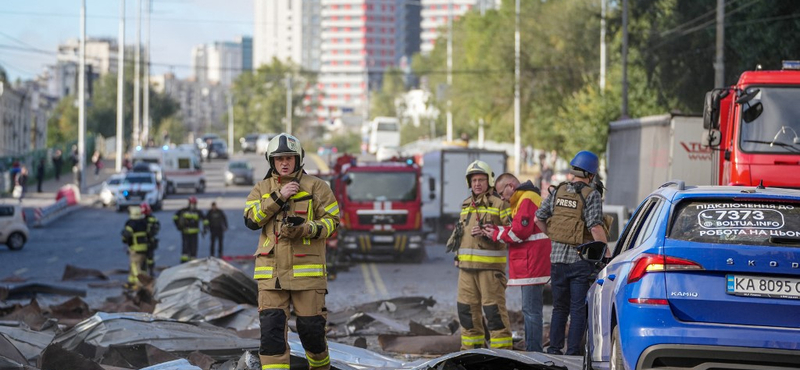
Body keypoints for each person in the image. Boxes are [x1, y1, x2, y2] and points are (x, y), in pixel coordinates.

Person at [244, 133, 340, 370]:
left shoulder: (317, 187)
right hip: (271, 275)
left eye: (289, 158)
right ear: (271, 162)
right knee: (271, 337)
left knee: (312, 334)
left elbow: (333, 222)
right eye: (279, 159)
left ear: (298, 160)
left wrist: (306, 228)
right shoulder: (262, 189)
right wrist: (279, 196)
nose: (284, 163)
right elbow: (251, 220)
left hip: (307, 276)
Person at [535, 150, 609, 355]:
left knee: (559, 308)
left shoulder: (557, 192)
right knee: (577, 310)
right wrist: (607, 253)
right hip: (579, 261)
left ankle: (554, 350)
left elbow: (538, 218)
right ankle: (573, 352)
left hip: (557, 261)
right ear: (591, 175)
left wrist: (555, 236)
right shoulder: (591, 194)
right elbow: (595, 227)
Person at [481, 173, 551, 352]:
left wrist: (496, 234)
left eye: (501, 192)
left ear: (511, 186)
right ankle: (533, 349)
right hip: (532, 263)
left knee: (531, 311)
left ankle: (534, 352)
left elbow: (520, 232)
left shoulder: (526, 199)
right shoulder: (525, 198)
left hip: (531, 264)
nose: (501, 197)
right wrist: (497, 229)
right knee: (531, 311)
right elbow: (518, 228)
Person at [451, 160, 513, 350]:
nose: (477, 183)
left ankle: (501, 356)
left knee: (494, 314)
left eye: (481, 180)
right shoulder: (466, 205)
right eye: (474, 180)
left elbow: (512, 232)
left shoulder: (500, 204)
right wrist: (457, 256)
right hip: (466, 269)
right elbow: (460, 233)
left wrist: (492, 231)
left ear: (489, 181)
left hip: (490, 270)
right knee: (466, 313)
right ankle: (470, 354)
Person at [121, 205, 150, 290]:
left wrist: (124, 240)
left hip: (135, 248)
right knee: (141, 266)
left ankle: (139, 284)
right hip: (144, 248)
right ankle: (132, 282)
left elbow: (126, 235)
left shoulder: (131, 223)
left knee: (135, 266)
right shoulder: (144, 222)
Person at [173, 196, 207, 263]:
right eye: (192, 203)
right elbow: (175, 217)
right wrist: (179, 226)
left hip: (194, 233)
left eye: (194, 203)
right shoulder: (183, 211)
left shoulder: (198, 212)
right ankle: (183, 264)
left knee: (193, 250)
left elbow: (205, 220)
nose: (193, 205)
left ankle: (192, 264)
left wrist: (205, 228)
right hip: (185, 232)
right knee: (185, 249)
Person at [141, 202, 160, 276]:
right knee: (149, 258)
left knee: (148, 258)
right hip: (148, 241)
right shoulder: (152, 218)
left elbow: (156, 228)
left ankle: (149, 271)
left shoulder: (144, 219)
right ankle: (149, 271)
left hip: (147, 241)